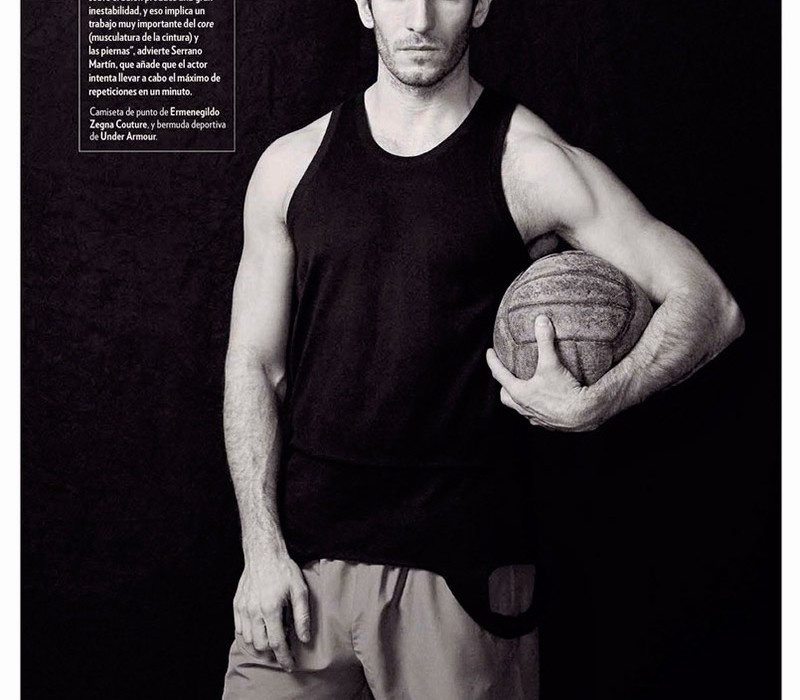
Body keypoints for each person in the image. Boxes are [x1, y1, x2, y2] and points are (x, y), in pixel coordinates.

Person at [221, 0, 744, 698]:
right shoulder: (289, 166)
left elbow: (711, 303)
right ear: (364, 6)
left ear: (483, 5)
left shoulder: (530, 163)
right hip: (299, 574)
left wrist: (597, 402)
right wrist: (260, 549)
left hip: (459, 577)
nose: (420, 18)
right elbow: (256, 367)